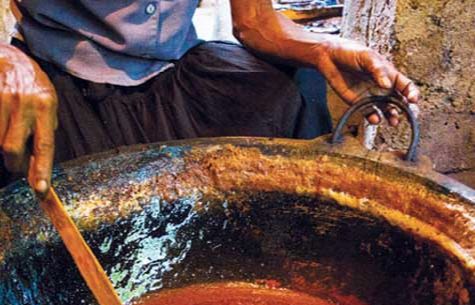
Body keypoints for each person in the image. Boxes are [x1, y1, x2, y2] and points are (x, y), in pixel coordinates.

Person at [0, 0, 419, 194]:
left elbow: (255, 23)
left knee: (296, 90)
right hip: (57, 78)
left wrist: (323, 49)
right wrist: (6, 59)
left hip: (178, 73)